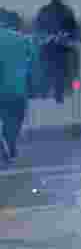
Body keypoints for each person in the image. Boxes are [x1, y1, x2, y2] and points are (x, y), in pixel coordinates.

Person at [33, 0, 78, 104]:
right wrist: (62, 37)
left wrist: (48, 38)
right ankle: (57, 100)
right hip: (60, 50)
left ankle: (44, 100)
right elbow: (72, 32)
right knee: (58, 78)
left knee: (47, 77)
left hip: (49, 49)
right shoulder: (67, 11)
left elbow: (38, 30)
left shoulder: (44, 11)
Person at [0, 18, 37, 165]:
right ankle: (10, 145)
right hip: (16, 90)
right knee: (14, 121)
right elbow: (34, 64)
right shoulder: (23, 40)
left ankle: (7, 147)